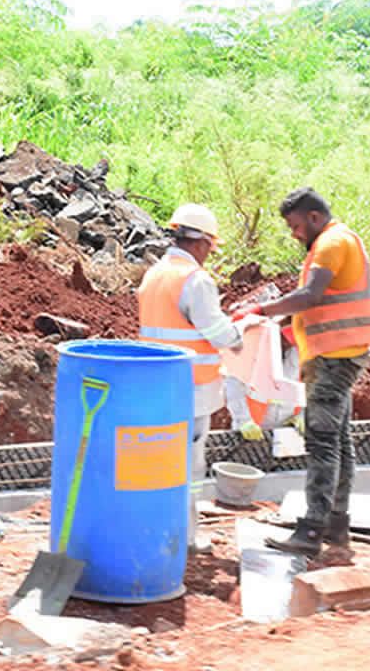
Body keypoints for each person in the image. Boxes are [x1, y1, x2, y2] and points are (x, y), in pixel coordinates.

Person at [231, 187, 370, 557]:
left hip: (334, 358)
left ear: (314, 217)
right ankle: (335, 527)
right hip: (341, 353)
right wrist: (286, 330)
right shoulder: (340, 240)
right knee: (339, 442)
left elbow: (311, 296)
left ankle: (312, 530)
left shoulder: (330, 243)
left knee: (322, 441)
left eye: (296, 226)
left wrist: (260, 311)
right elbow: (323, 305)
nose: (294, 233)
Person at [136, 203, 242, 553]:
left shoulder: (154, 274)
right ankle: (185, 537)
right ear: (200, 243)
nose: (210, 254)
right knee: (189, 471)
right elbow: (217, 332)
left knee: (156, 460)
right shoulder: (195, 280)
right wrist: (240, 333)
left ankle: (150, 529)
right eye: (211, 247)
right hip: (191, 389)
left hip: (154, 385)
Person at [225, 325, 302, 439]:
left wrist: (302, 416)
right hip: (252, 428)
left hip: (287, 427)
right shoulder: (251, 348)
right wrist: (244, 420)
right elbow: (234, 386)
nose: (286, 344)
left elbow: (309, 385)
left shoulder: (298, 352)